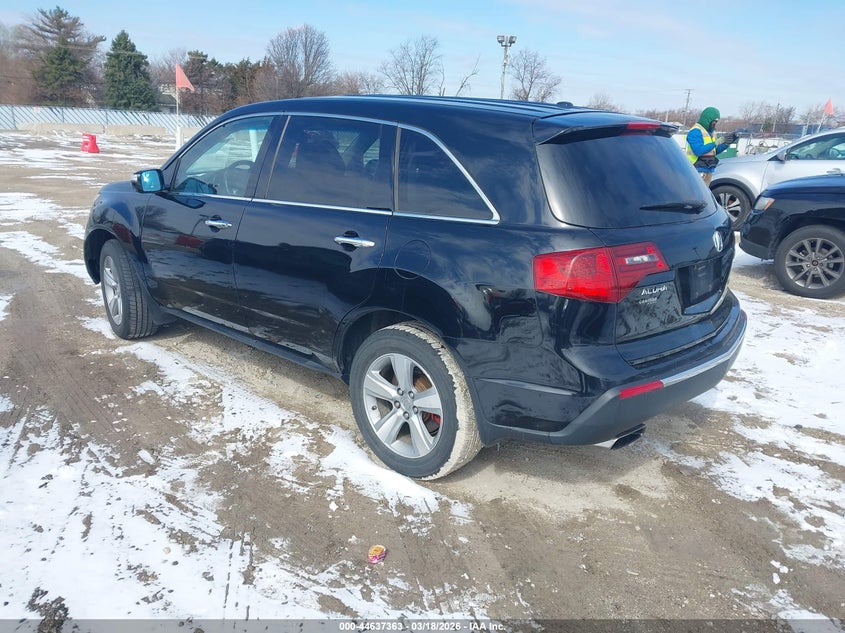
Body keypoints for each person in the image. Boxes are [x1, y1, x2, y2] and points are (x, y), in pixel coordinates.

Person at [685, 107, 737, 185]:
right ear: (707, 120)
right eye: (714, 121)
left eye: (716, 122)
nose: (715, 124)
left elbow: (714, 151)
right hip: (696, 169)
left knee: (704, 195)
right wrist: (716, 142)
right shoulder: (695, 131)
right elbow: (698, 151)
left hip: (708, 169)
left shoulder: (712, 133)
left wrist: (726, 143)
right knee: (696, 195)